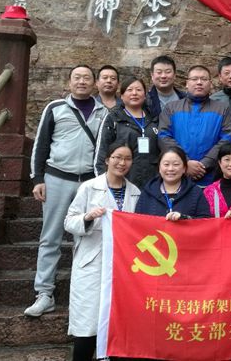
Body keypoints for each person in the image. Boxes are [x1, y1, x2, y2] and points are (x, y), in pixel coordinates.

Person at [25, 65, 106, 317]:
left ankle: (83, 295)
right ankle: (44, 293)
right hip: (57, 177)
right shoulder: (55, 107)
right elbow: (41, 144)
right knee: (51, 237)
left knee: (87, 236)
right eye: (77, 78)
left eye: (86, 78)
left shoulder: (104, 112)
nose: (82, 82)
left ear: (94, 83)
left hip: (89, 181)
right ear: (69, 82)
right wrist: (38, 178)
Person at [64, 142, 141, 361]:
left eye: (127, 159)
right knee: (87, 324)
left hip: (123, 265)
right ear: (107, 160)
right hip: (93, 262)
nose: (122, 163)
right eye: (117, 157)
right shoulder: (89, 187)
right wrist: (88, 217)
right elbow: (69, 221)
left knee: (117, 322)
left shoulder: (135, 192)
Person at [158, 65, 231, 186]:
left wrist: (205, 163)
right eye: (194, 79)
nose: (199, 82)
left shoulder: (222, 109)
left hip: (212, 177)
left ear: (210, 84)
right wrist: (185, 162)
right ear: (187, 83)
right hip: (179, 176)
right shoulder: (171, 108)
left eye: (204, 79)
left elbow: (228, 138)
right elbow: (164, 136)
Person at [94, 77, 160, 189]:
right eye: (129, 90)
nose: (134, 93)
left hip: (152, 184)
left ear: (145, 95)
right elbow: (102, 153)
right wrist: (104, 185)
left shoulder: (154, 119)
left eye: (138, 90)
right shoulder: (114, 118)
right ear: (122, 96)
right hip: (121, 183)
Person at [135, 147, 211, 219]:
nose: (170, 169)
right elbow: (138, 221)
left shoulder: (195, 192)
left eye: (176, 164)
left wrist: (184, 218)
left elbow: (205, 222)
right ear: (159, 168)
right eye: (166, 164)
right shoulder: (148, 192)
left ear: (184, 168)